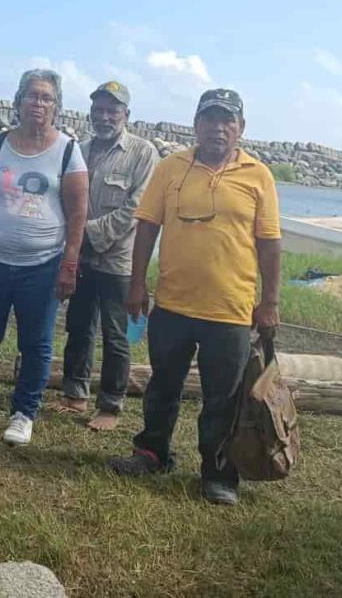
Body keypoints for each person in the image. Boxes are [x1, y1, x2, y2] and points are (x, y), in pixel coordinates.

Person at [109, 89, 282, 506]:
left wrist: (270, 301)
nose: (218, 128)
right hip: (172, 304)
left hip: (231, 310)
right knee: (162, 385)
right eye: (210, 119)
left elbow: (270, 242)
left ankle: (218, 473)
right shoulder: (171, 167)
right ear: (196, 124)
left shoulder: (258, 175)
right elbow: (147, 226)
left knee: (222, 397)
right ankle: (152, 452)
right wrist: (137, 284)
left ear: (241, 128)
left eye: (228, 120)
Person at [0, 69, 88, 446]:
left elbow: (77, 214)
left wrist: (70, 263)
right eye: (31, 95)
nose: (37, 103)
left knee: (36, 342)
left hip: (42, 265)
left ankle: (24, 413)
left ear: (56, 106)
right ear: (18, 101)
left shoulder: (68, 151)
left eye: (45, 97)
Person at [52, 81, 158, 430]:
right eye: (98, 109)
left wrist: (85, 236)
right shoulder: (78, 150)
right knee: (79, 327)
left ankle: (110, 405)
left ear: (126, 115)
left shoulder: (143, 153)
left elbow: (135, 210)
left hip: (117, 261)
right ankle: (74, 393)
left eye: (113, 110)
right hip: (81, 258)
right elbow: (65, 200)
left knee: (115, 335)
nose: (104, 116)